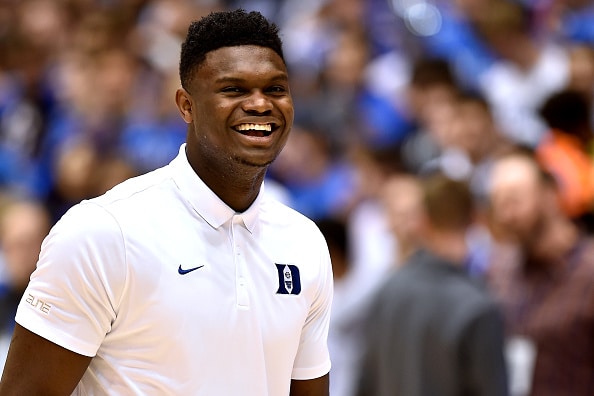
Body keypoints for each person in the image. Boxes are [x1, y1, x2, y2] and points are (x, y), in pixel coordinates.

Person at [0, 9, 333, 396]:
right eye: (234, 89)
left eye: (276, 89)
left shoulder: (304, 242)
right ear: (186, 105)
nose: (260, 104)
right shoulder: (103, 232)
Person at [355, 172, 509, 396]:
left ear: (421, 221)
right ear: (476, 218)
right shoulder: (479, 308)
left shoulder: (387, 290)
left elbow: (364, 383)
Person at [486, 148, 594, 396]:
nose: (505, 215)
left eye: (514, 200)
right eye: (498, 203)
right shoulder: (500, 271)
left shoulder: (588, 272)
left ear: (549, 195)